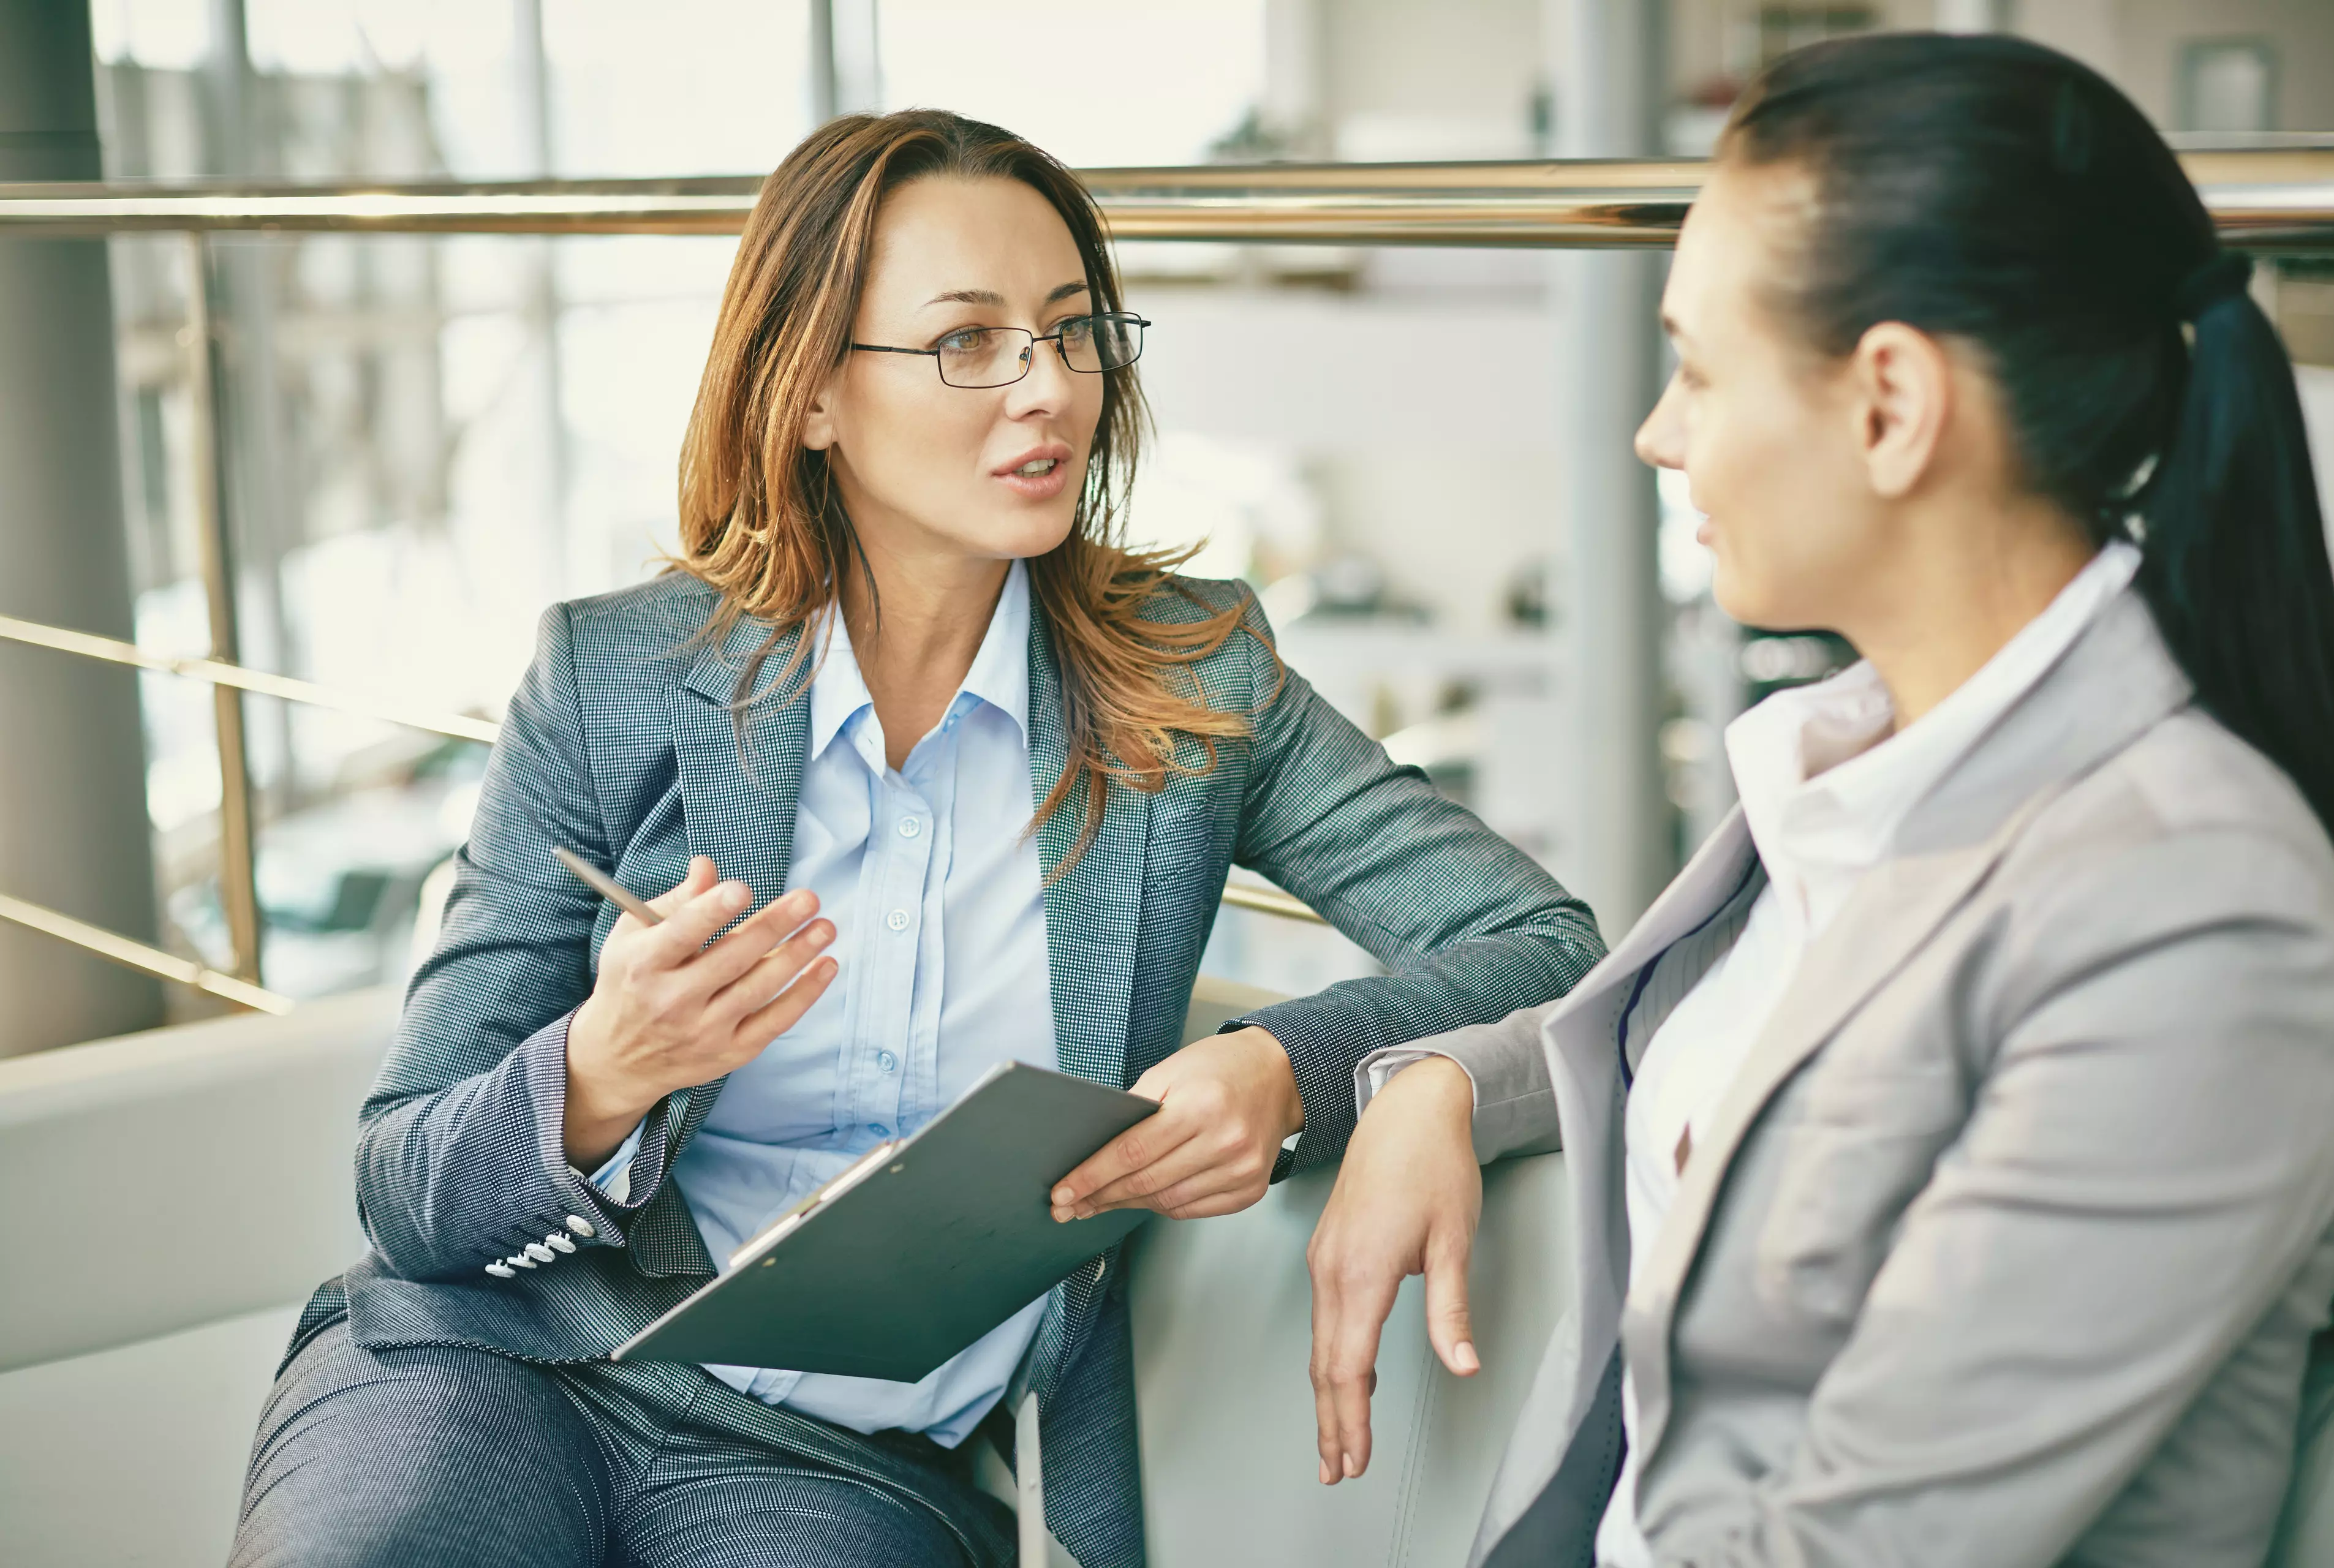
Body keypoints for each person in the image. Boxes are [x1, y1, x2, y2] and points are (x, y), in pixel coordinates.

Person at [226, 111, 1601, 1568]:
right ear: (814, 392)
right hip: (500, 1365)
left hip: (843, 1461)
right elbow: (406, 1184)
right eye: (970, 343)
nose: (1049, 390)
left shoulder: (1197, 684)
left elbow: (1545, 941)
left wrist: (1294, 1068)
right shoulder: (609, 681)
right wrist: (603, 1069)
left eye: (1075, 333)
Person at [1304, 32, 2334, 1568]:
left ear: (1888, 407)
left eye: (1700, 367)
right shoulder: (1858, 765)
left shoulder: (2196, 905)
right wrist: (1443, 1078)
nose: (1658, 433)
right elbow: (1746, 1053)